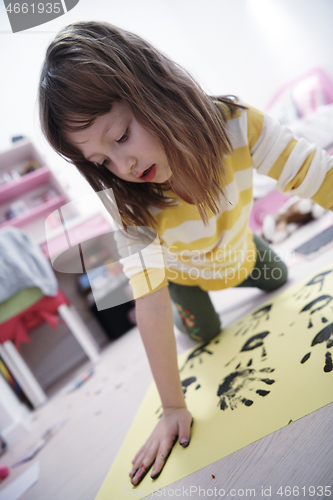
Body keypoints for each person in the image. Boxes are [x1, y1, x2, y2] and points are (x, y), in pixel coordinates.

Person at [38, 21, 333, 486]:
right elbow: (148, 304)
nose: (125, 167)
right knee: (206, 330)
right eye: (103, 163)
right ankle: (183, 288)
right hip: (186, 277)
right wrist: (173, 406)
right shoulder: (131, 203)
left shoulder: (239, 124)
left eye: (120, 138)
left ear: (154, 86)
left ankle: (245, 256)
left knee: (279, 278)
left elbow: (319, 175)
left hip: (240, 253)